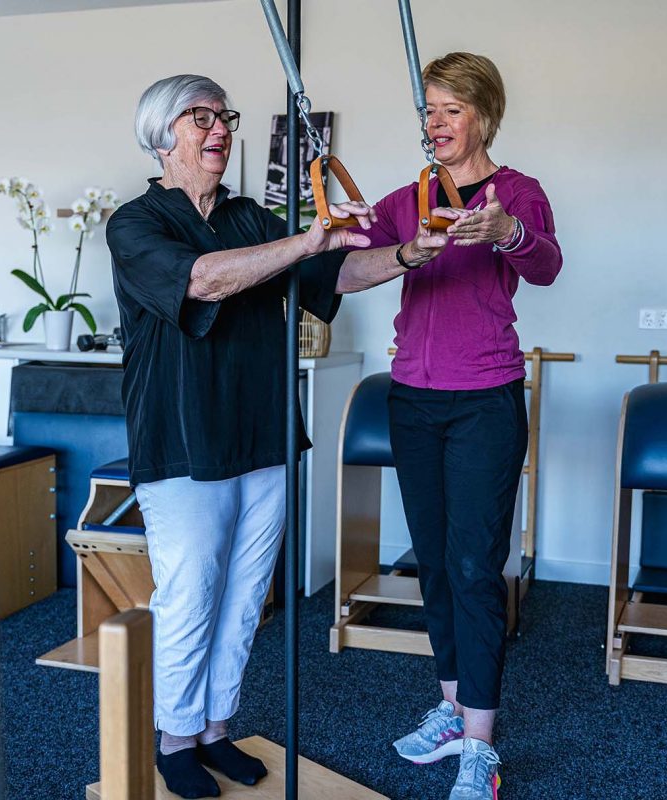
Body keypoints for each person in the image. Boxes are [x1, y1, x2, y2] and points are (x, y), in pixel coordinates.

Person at [105, 74, 451, 799]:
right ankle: (173, 737)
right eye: (199, 117)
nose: (218, 128)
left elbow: (338, 271)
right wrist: (303, 240)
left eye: (222, 115)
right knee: (192, 593)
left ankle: (213, 729)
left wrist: (411, 254)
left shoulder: (250, 218)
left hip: (262, 434)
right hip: (183, 444)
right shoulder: (136, 223)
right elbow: (201, 282)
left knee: (245, 597)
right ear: (161, 134)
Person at [352, 53, 563, 800]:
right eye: (429, 112)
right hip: (412, 397)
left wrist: (504, 231)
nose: (436, 125)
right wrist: (399, 250)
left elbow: (546, 266)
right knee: (434, 563)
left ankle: (481, 746)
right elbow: (343, 270)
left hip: (485, 399)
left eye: (450, 110)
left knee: (475, 566)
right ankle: (449, 707)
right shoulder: (406, 198)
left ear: (483, 114)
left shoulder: (518, 194)